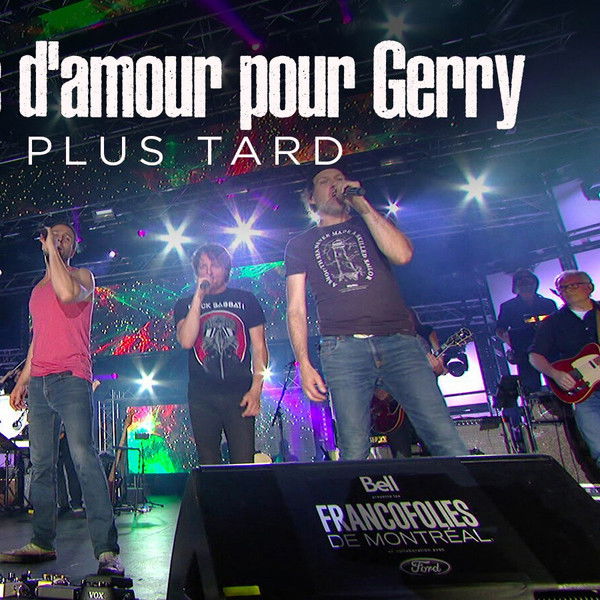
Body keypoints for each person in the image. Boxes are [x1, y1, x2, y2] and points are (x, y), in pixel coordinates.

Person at [285, 167, 466, 460]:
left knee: (443, 436)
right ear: (311, 198)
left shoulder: (371, 222)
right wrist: (304, 364)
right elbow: (295, 308)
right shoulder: (300, 244)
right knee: (354, 447)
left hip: (400, 342)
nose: (334, 185)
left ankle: (470, 489)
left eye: (339, 179)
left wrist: (362, 205)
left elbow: (403, 254)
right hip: (342, 349)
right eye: (324, 181)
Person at [0, 223, 122, 575]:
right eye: (54, 236)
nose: (60, 240)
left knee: (84, 457)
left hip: (71, 378)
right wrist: (23, 380)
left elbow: (67, 295)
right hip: (40, 383)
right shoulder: (37, 290)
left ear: (72, 247)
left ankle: (106, 550)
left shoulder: (82, 276)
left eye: (66, 238)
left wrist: (52, 250)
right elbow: (38, 338)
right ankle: (41, 541)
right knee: (41, 464)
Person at [175, 243, 268, 464]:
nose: (208, 271)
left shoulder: (246, 300)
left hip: (239, 393)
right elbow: (186, 341)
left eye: (214, 265)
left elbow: (259, 347)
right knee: (208, 462)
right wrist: (198, 297)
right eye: (203, 266)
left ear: (226, 268)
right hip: (202, 396)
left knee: (244, 460)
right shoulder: (184, 304)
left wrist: (256, 390)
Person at [529, 270, 600, 469]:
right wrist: (555, 374)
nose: (567, 290)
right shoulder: (553, 322)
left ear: (589, 287)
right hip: (584, 394)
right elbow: (535, 356)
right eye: (562, 288)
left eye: (573, 285)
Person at [496, 269, 557, 395]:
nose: (526, 284)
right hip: (524, 353)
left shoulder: (548, 303)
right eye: (521, 281)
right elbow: (500, 329)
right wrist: (511, 343)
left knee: (556, 384)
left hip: (550, 350)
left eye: (529, 281)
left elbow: (557, 324)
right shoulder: (508, 307)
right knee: (531, 389)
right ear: (515, 286)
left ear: (535, 283)